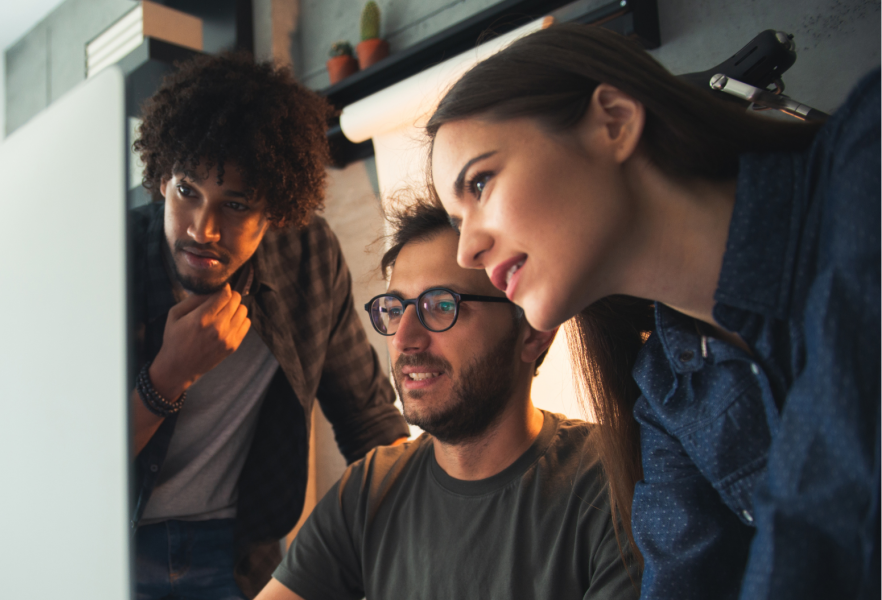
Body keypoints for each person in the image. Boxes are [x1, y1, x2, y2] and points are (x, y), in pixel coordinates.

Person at [426, 22, 879, 600]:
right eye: (458, 222)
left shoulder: (865, 163)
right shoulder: (666, 394)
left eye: (481, 183)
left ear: (613, 121)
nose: (467, 250)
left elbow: (827, 507)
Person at [129, 53, 409, 599]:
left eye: (235, 204)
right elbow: (66, 462)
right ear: (163, 179)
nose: (204, 229)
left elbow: (367, 419)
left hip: (237, 553)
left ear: (276, 212)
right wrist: (167, 376)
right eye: (188, 191)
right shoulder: (106, 262)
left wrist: (434, 518)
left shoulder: (307, 253)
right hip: (111, 546)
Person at [254, 203, 638, 600]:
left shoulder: (616, 478)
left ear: (534, 332)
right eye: (395, 308)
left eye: (441, 306)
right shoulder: (370, 487)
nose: (404, 338)